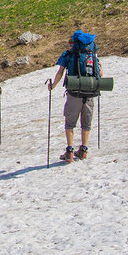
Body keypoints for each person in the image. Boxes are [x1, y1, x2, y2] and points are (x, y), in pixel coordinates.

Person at [50, 30, 102, 162]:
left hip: (74, 93)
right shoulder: (91, 54)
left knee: (70, 123)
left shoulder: (69, 54)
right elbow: (100, 73)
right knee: (86, 123)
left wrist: (53, 86)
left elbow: (60, 72)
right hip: (90, 92)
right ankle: (84, 150)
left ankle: (70, 151)